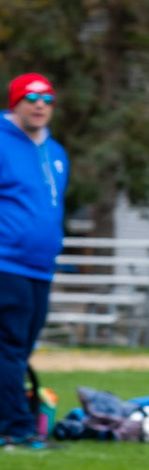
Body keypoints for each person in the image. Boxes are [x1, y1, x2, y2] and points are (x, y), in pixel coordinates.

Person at [0, 73, 69, 449]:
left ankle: (11, 420)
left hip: (40, 267)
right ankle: (16, 428)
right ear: (15, 102)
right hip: (4, 263)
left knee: (21, 348)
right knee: (8, 347)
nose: (40, 104)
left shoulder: (56, 152)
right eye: (31, 97)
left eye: (47, 98)